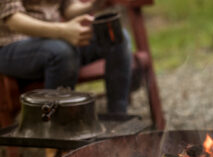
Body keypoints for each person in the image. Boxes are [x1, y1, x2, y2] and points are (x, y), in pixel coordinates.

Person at [0, 0, 132, 113]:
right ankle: (59, 129)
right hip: (12, 46)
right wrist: (63, 31)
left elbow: (68, 8)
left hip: (56, 40)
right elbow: (14, 20)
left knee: (115, 37)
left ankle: (118, 118)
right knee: (62, 52)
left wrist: (94, 4)